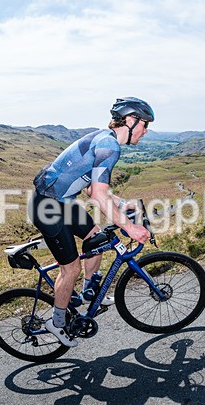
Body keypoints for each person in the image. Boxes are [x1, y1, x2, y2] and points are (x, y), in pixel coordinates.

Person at [30, 97, 154, 346]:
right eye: (145, 124)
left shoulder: (104, 140)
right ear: (130, 121)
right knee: (71, 267)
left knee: (95, 236)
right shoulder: (109, 147)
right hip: (47, 207)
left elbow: (90, 189)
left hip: (61, 202)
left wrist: (121, 204)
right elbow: (97, 196)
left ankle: (89, 291)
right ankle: (56, 322)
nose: (146, 131)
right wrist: (130, 227)